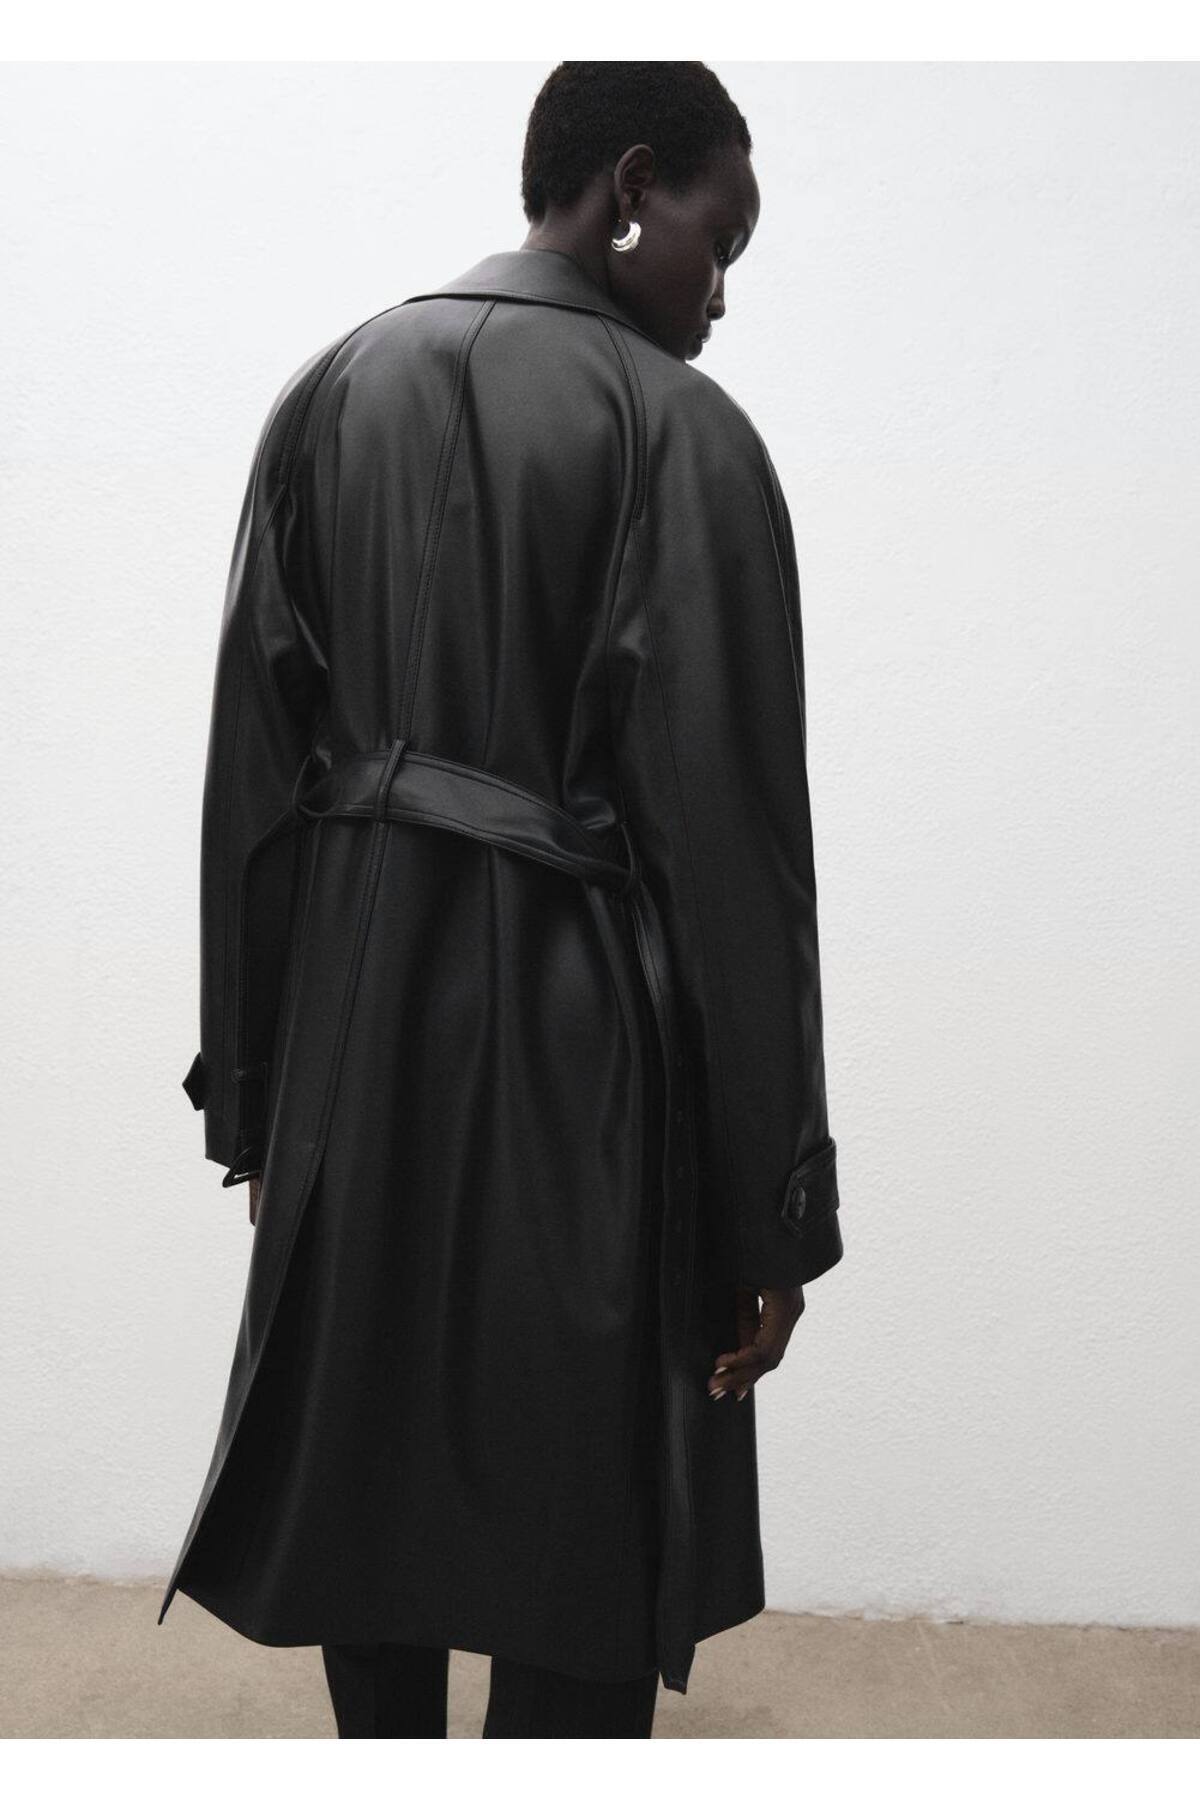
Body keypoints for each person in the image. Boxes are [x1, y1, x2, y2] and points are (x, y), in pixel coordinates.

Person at [160, 60, 844, 1740]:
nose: (725, 290)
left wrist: (259, 1101)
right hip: (585, 1046)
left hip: (354, 1036)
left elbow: (253, 781)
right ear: (632, 187)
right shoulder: (682, 436)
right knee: (585, 1518)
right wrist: (773, 1212)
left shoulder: (332, 390)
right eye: (722, 236)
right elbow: (736, 852)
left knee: (364, 1494)